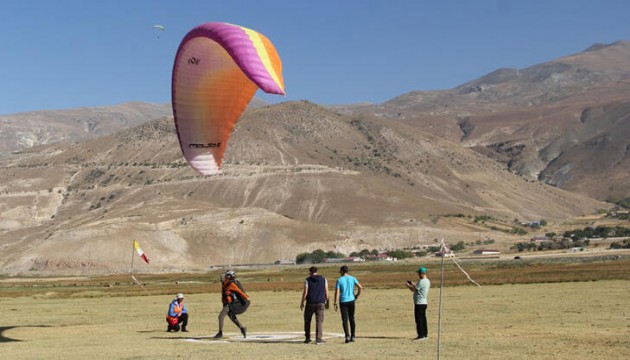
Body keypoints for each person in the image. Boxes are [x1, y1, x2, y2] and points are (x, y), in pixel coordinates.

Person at [213, 270, 250, 339]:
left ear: (231, 276)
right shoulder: (226, 283)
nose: (226, 276)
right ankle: (242, 328)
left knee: (221, 317)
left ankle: (220, 333)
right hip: (226, 303)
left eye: (228, 275)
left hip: (229, 304)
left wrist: (246, 297)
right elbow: (224, 286)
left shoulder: (232, 284)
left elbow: (240, 292)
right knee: (232, 317)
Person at [334, 265, 363, 343]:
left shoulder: (339, 280)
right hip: (351, 300)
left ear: (342, 271)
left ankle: (347, 335)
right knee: (352, 318)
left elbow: (337, 292)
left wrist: (335, 302)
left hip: (343, 301)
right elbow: (360, 287)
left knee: (344, 319)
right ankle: (353, 335)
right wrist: (357, 295)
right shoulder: (352, 278)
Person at [300, 266, 329, 344]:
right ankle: (318, 339)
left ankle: (307, 338)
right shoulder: (324, 279)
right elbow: (326, 291)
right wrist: (327, 301)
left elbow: (305, 292)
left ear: (310, 272)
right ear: (317, 271)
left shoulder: (307, 280)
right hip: (321, 302)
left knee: (307, 320)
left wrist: (302, 302)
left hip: (310, 303)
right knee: (319, 321)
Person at [405, 266, 430, 340]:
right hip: (424, 302)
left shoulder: (422, 281)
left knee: (419, 319)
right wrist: (413, 283)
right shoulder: (427, 281)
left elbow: (414, 289)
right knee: (423, 319)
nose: (418, 275)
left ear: (422, 273)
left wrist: (408, 286)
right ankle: (425, 334)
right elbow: (418, 287)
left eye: (419, 273)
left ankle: (421, 335)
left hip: (419, 303)